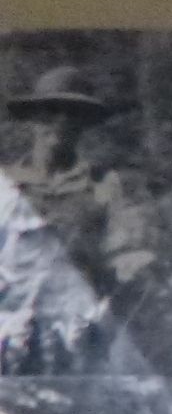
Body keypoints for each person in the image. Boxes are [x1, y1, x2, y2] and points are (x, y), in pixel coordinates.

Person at [0, 63, 154, 374]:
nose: (61, 122)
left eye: (73, 113)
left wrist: (103, 321)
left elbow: (131, 263)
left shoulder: (104, 186)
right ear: (34, 118)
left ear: (84, 123)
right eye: (51, 111)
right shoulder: (6, 186)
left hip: (78, 338)